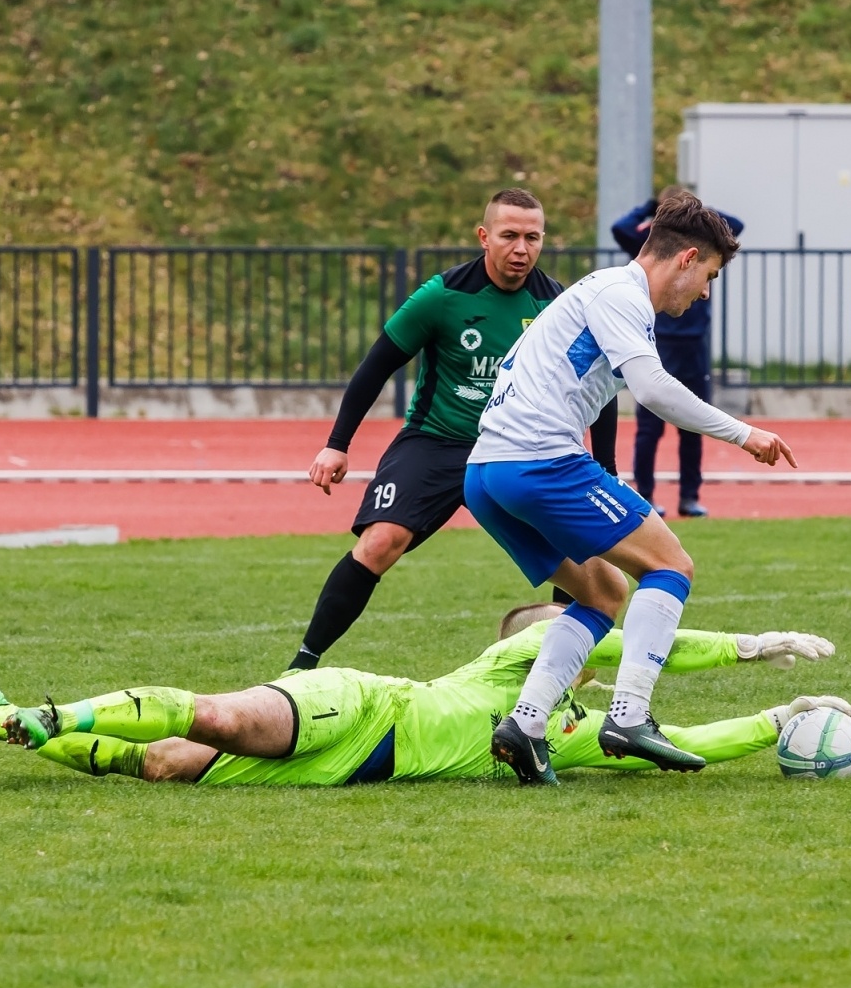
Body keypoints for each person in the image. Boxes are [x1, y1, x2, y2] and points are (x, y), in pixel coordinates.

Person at [465, 190, 797, 785]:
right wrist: (745, 434)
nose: (704, 293)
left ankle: (525, 724)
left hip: (487, 474)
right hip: (540, 462)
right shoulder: (622, 294)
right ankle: (630, 715)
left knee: (602, 594)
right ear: (687, 257)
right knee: (672, 566)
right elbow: (653, 390)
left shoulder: (597, 291)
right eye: (709, 277)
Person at [0, 605, 849, 786]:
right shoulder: (513, 662)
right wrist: (752, 644)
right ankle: (54, 713)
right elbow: (644, 637)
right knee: (221, 715)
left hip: (343, 775)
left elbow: (677, 735)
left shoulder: (560, 731)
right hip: (362, 709)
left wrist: (773, 724)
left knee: (159, 763)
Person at [290, 189, 618, 673]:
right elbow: (376, 366)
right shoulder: (443, 296)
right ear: (484, 237)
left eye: (532, 237)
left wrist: (606, 467)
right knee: (380, 542)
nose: (521, 249)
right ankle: (302, 665)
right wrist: (337, 445)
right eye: (509, 236)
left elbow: (596, 387)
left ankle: (562, 675)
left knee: (583, 564)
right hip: (438, 441)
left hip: (518, 449)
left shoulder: (560, 306)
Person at [611, 187, 745, 518]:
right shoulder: (654, 249)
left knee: (693, 423)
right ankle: (645, 495)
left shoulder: (703, 248)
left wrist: (698, 215)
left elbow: (735, 226)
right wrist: (652, 207)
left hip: (694, 345)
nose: (704, 290)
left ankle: (689, 497)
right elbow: (620, 228)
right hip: (660, 342)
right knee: (649, 427)